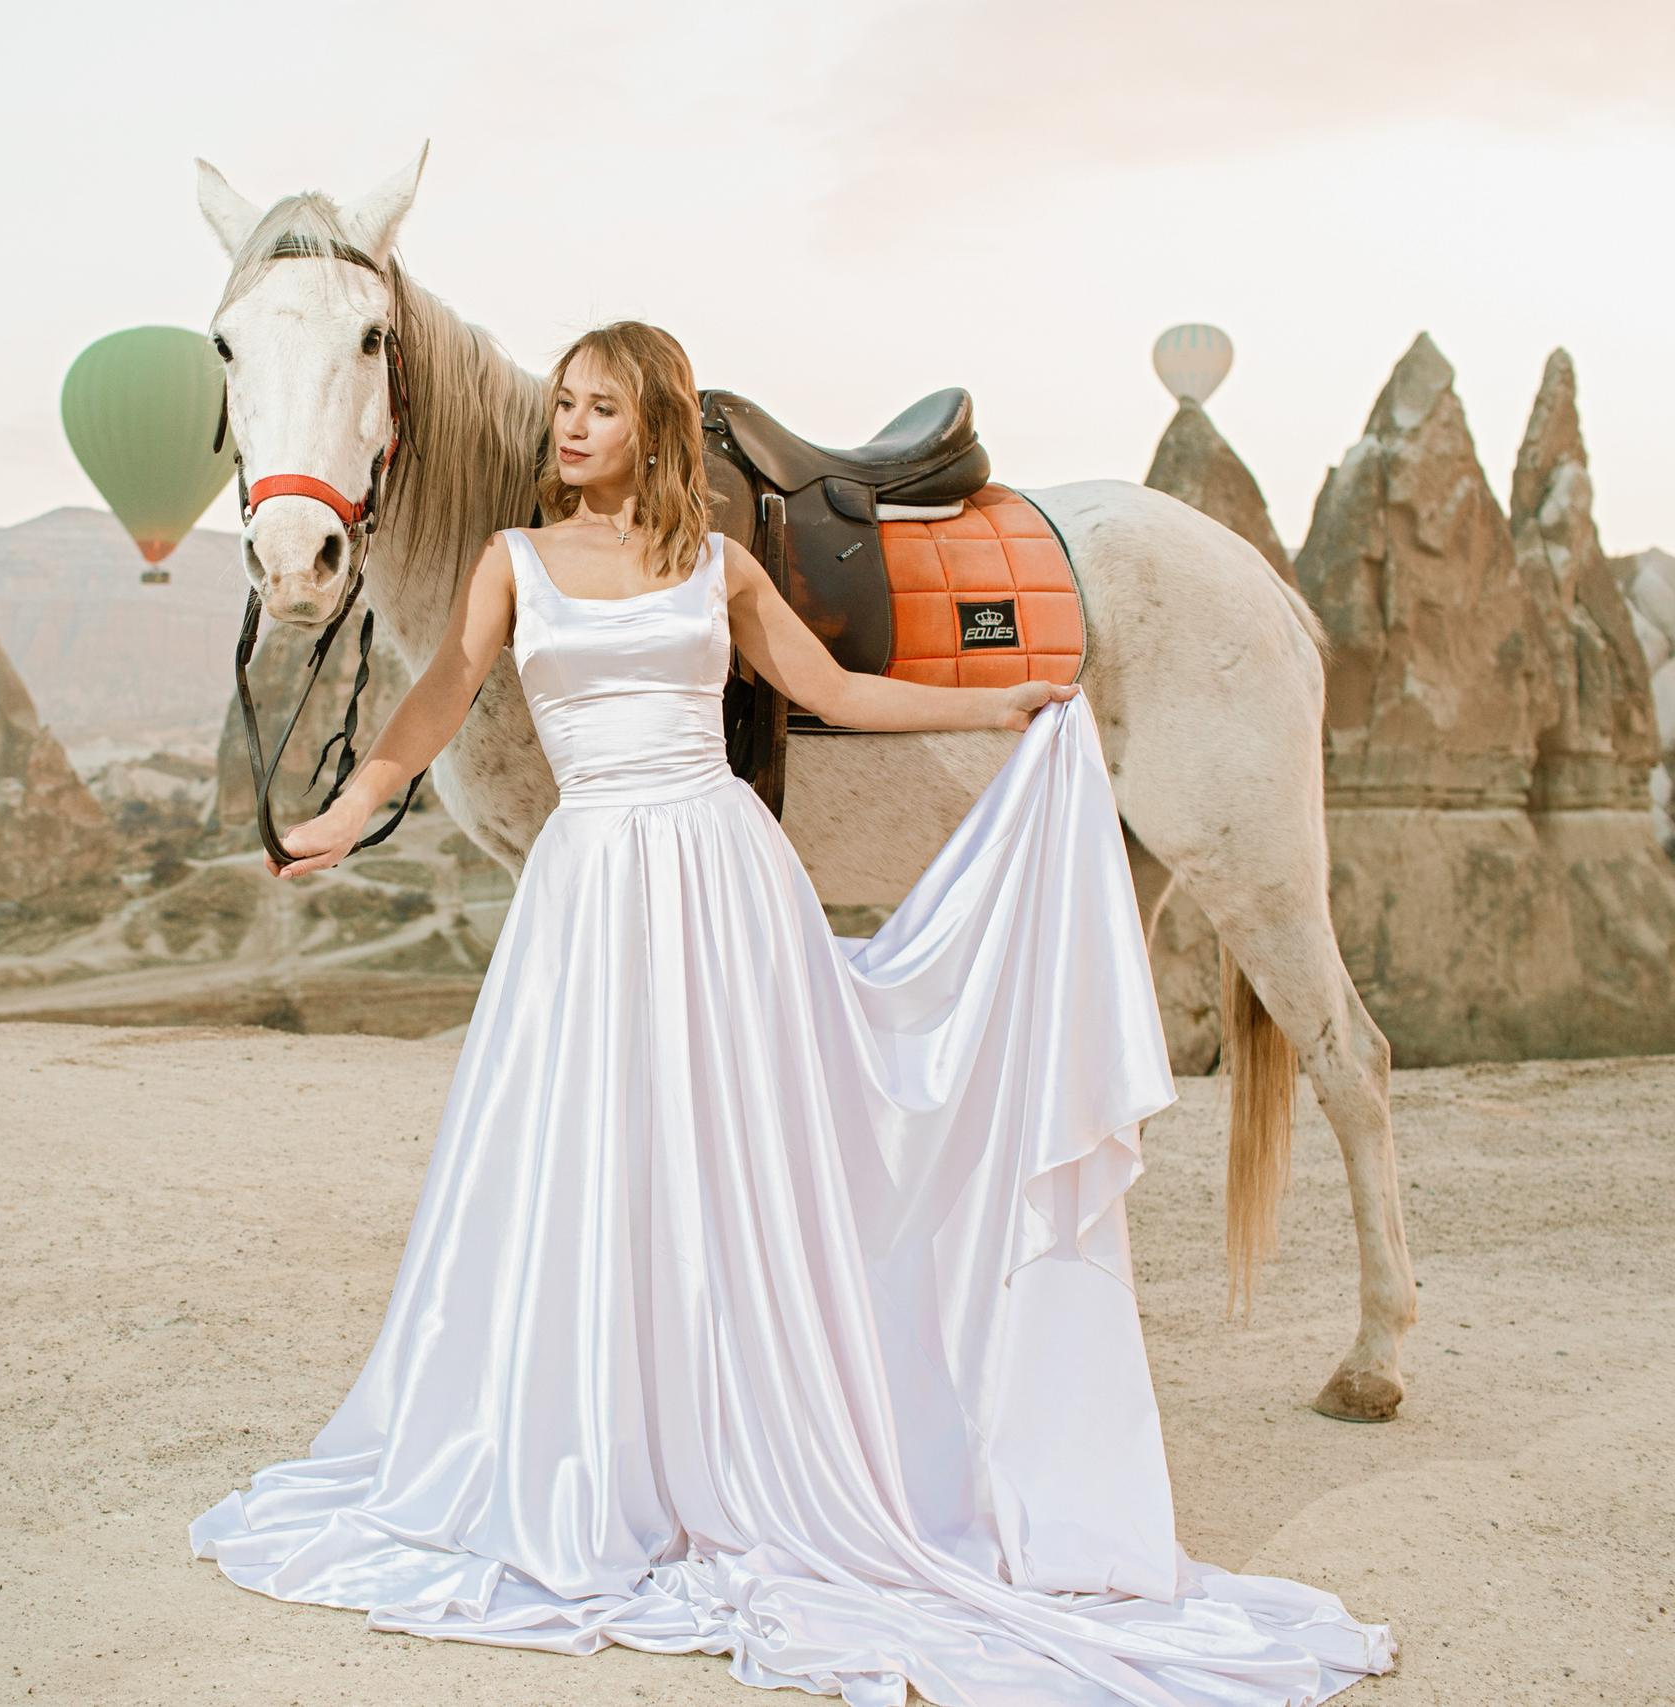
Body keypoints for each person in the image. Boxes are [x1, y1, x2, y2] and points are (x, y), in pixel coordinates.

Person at [187, 320, 1396, 1704]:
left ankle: (757, 1442)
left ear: (656, 430)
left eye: (599, 409)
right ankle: (600, 1447)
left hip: (722, 878)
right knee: (580, 1167)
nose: (567, 429)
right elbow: (436, 699)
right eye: (563, 405)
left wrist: (1006, 703)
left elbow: (829, 692)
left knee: (752, 1164)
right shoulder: (508, 564)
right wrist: (345, 810)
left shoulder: (722, 565)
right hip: (593, 895)